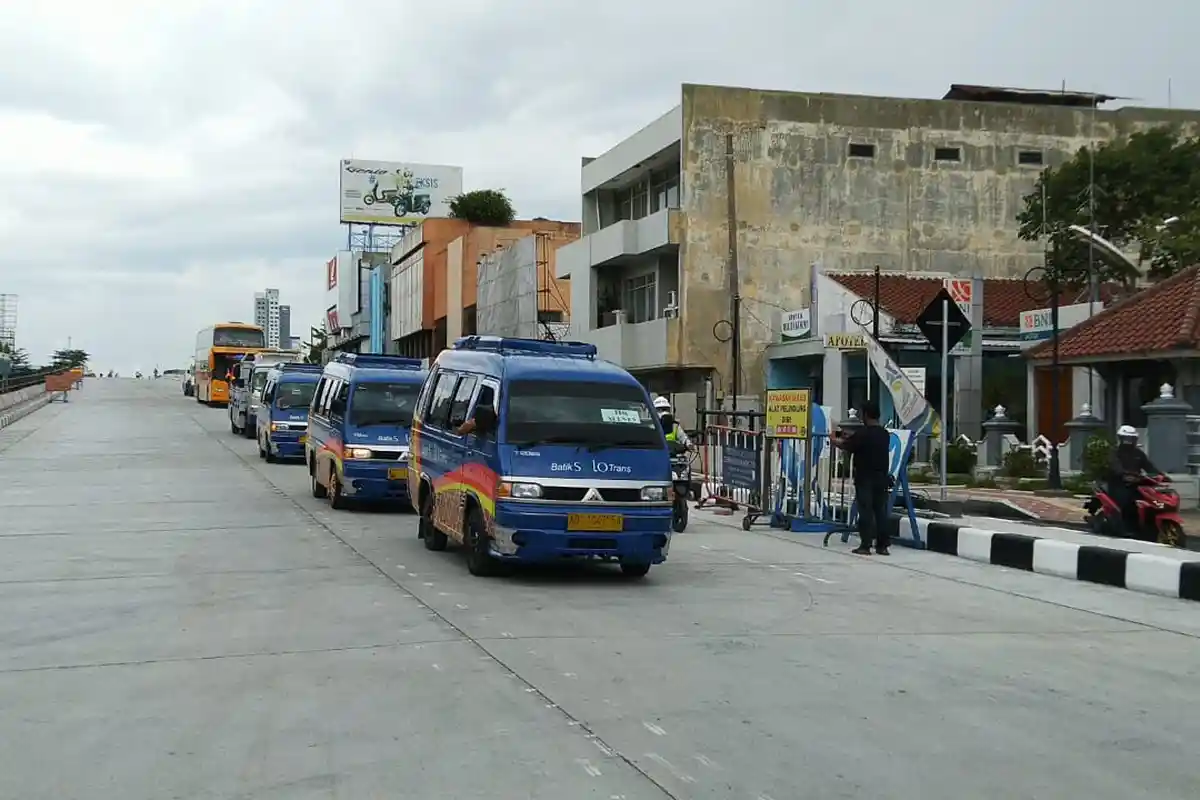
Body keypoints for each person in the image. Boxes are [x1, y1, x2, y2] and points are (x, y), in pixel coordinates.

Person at [832, 400, 893, 555]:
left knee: (865, 511)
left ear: (866, 414)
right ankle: (882, 546)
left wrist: (834, 440)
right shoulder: (884, 434)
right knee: (880, 511)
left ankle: (865, 545)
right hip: (881, 478)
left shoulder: (863, 434)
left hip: (865, 478)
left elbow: (848, 446)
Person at [1106, 425, 1161, 535]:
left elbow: (1149, 467)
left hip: (1136, 483)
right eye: (1126, 438)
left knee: (1151, 501)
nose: (1128, 441)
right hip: (1118, 484)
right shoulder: (1115, 452)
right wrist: (1123, 473)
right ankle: (1123, 528)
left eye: (1131, 438)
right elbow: (1115, 466)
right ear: (1120, 438)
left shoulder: (1138, 453)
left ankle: (1148, 526)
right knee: (1127, 502)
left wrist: (1160, 475)